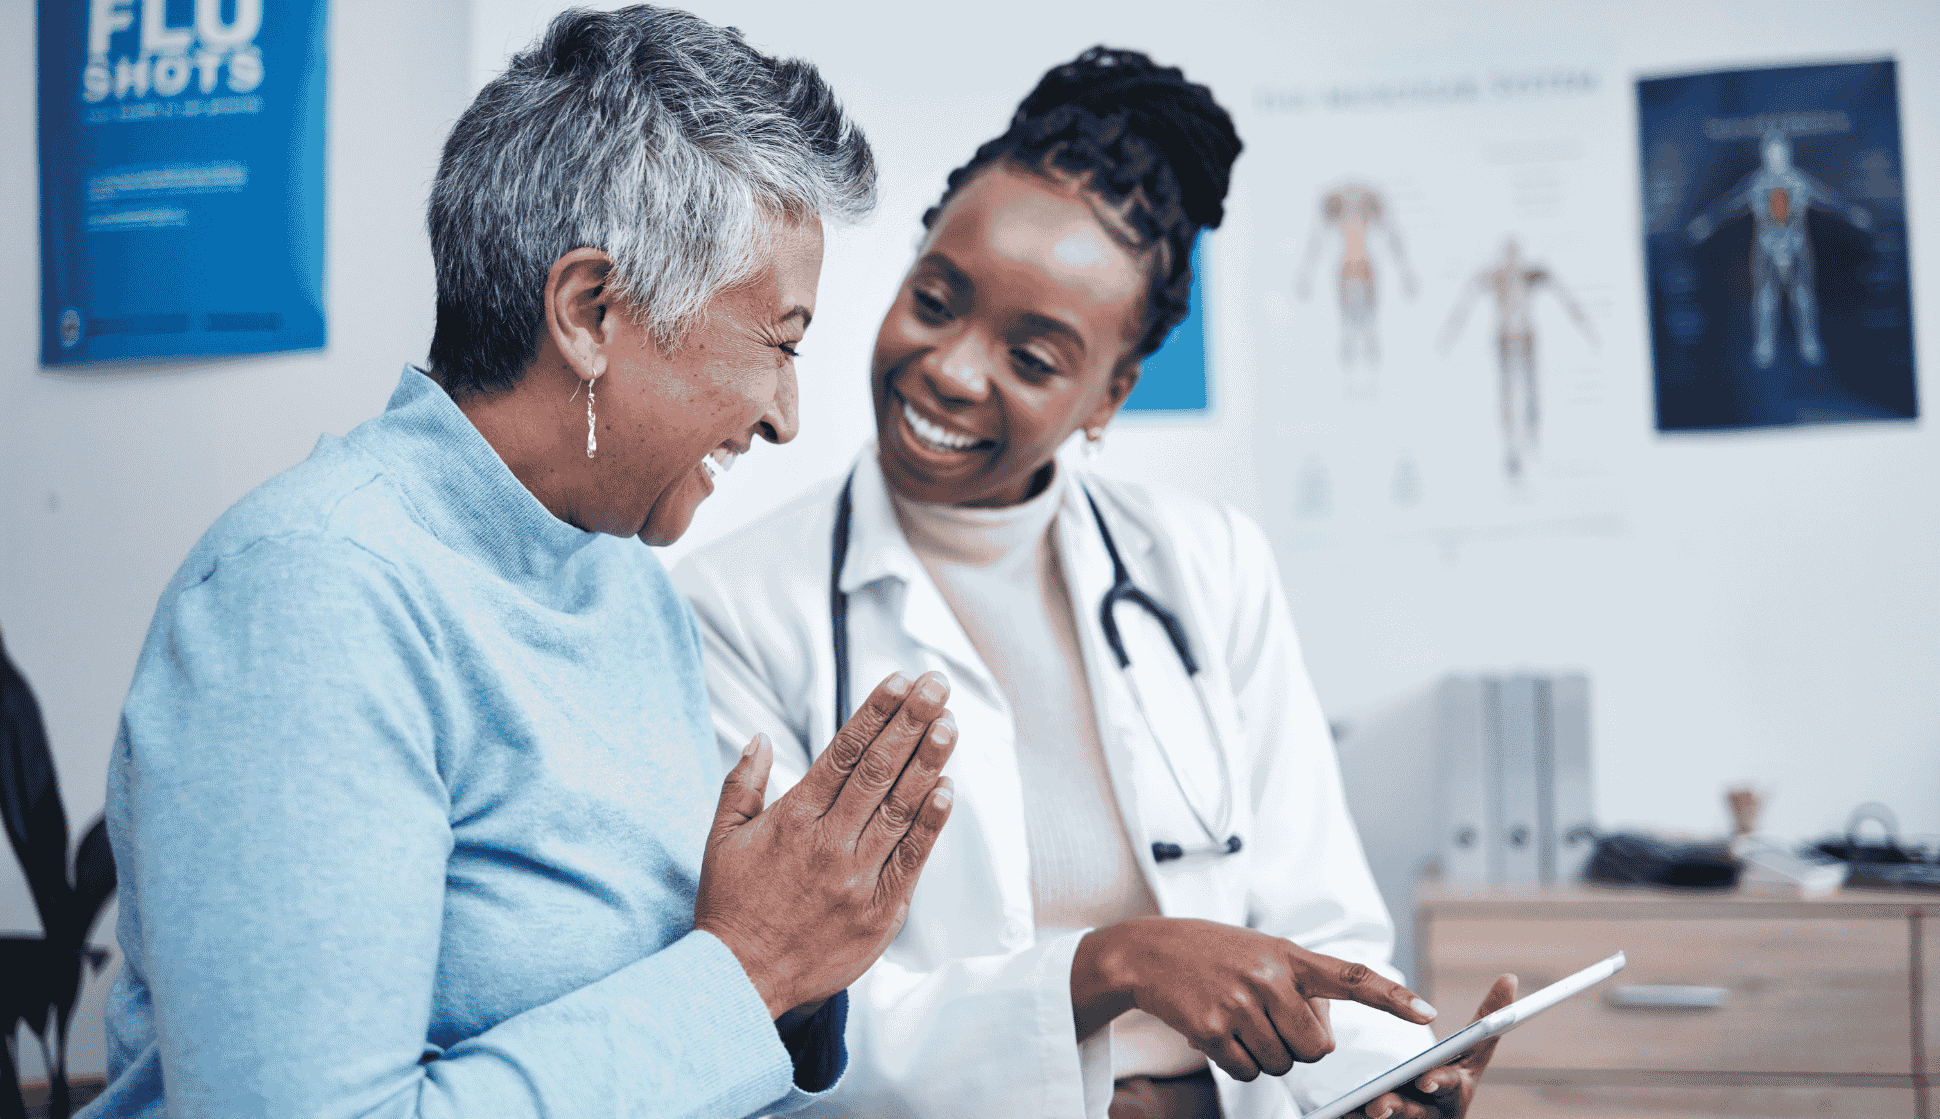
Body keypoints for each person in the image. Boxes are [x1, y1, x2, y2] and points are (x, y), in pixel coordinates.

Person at [84, 9, 962, 1118]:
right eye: (779, 342)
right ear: (591, 312)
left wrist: (804, 959)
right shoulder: (310, 598)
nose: (786, 415)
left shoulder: (616, 578)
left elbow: (676, 1008)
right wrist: (751, 970)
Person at [675, 48, 1514, 1119]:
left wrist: (1374, 1078)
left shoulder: (1208, 568)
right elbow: (787, 1015)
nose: (952, 369)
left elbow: (1320, 934)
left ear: (1108, 393)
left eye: (1033, 359)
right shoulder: (735, 611)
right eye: (936, 299)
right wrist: (1103, 968)